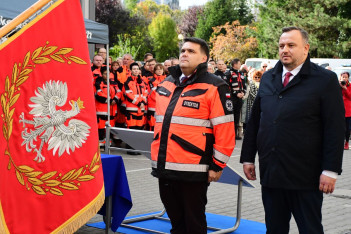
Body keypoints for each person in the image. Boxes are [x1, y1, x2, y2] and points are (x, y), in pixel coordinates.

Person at [240, 27, 344, 234]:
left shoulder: (324, 80)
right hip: (272, 172)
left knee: (310, 229)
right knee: (275, 228)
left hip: (307, 175)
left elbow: (335, 127)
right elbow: (255, 121)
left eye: (291, 45)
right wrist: (248, 158)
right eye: (281, 46)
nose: (284, 50)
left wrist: (330, 170)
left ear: (305, 48)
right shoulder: (268, 78)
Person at [151, 37, 235, 234]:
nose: (184, 54)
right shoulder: (167, 83)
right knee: (176, 223)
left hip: (193, 169)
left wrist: (217, 166)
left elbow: (225, 131)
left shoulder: (216, 86)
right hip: (164, 166)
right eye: (183, 50)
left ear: (204, 57)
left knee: (194, 223)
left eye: (191, 51)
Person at [225, 58, 246, 140]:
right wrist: (235, 93)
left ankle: (235, 134)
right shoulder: (229, 73)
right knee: (231, 116)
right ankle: (230, 134)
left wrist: (243, 92)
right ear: (235, 64)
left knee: (237, 117)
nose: (240, 65)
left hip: (240, 97)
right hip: (232, 98)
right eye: (239, 63)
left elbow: (243, 84)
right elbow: (227, 86)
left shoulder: (241, 73)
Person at [146, 63, 166, 131]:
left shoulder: (166, 80)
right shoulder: (151, 81)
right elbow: (152, 94)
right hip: (153, 106)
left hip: (163, 107)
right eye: (157, 70)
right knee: (152, 125)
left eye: (161, 69)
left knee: (161, 125)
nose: (159, 71)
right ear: (155, 71)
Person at [340, 71, 351, 150]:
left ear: (348, 78)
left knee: (347, 128)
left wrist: (345, 88)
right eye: (343, 77)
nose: (344, 78)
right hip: (339, 110)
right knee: (339, 128)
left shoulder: (350, 86)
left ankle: (346, 142)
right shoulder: (337, 85)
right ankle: (340, 142)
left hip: (348, 111)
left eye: (345, 77)